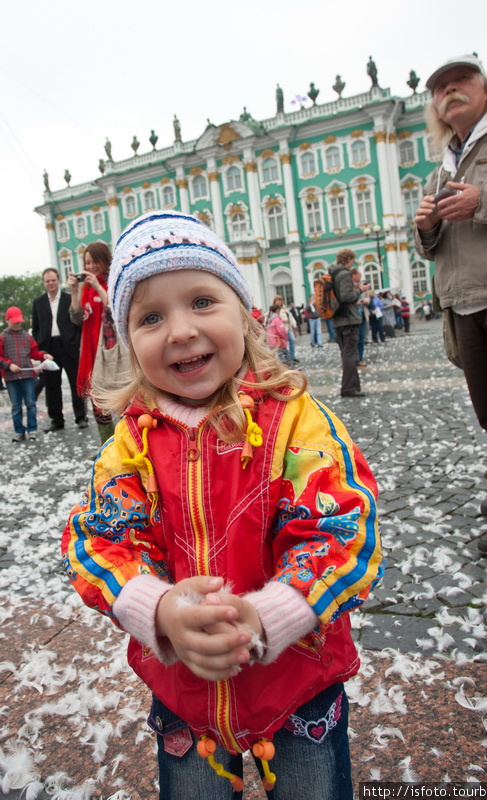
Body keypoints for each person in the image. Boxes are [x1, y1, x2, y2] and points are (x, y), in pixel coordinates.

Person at [62, 210, 383, 800]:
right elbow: (100, 539)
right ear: (130, 342)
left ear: (245, 313)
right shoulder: (131, 444)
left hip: (298, 684)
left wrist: (272, 614)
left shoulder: (294, 421)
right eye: (151, 316)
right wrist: (156, 609)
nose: (180, 330)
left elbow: (343, 530)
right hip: (186, 696)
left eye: (203, 301)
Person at [414, 53, 487, 557]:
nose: (451, 91)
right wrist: (425, 227)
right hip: (462, 303)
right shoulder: (444, 163)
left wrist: (485, 200)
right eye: (441, 88)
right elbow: (433, 245)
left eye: (462, 80)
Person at [67, 243, 117, 444]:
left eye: (94, 261)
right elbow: (76, 318)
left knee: (123, 399)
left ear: (105, 260)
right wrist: (74, 291)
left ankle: (127, 443)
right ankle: (108, 445)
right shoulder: (85, 287)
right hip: (90, 350)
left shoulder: (113, 282)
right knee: (97, 403)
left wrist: (97, 285)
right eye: (87, 262)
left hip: (110, 350)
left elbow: (114, 311)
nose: (90, 266)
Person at [31, 267, 87, 432]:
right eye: (47, 281)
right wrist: (40, 345)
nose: (51, 283)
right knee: (51, 385)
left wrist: (75, 341)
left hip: (68, 345)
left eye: (53, 280)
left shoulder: (69, 298)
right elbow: (35, 328)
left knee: (76, 382)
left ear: (58, 280)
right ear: (44, 283)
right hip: (48, 348)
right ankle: (56, 420)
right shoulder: (38, 302)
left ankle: (81, 417)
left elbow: (78, 322)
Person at [0, 306, 53, 441]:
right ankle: (19, 431)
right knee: (16, 405)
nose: (17, 324)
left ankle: (32, 429)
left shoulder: (26, 336)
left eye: (19, 321)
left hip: (28, 375)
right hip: (11, 377)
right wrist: (8, 365)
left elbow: (34, 353)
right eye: (14, 321)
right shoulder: (2, 337)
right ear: (7, 320)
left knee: (31, 403)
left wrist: (43, 355)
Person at [329, 250, 367, 397]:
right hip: (348, 319)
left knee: (347, 353)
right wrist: (360, 291)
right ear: (349, 259)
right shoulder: (344, 274)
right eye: (353, 260)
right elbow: (345, 296)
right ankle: (348, 388)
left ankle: (354, 386)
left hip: (339, 319)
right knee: (350, 354)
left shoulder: (334, 273)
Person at [272, 294, 298, 363]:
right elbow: (273, 319)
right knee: (282, 346)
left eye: (279, 300)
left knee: (292, 340)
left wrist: (294, 324)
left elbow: (290, 316)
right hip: (280, 330)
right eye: (277, 300)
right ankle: (285, 360)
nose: (278, 302)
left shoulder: (284, 308)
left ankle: (292, 357)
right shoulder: (273, 309)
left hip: (287, 328)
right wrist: (282, 321)